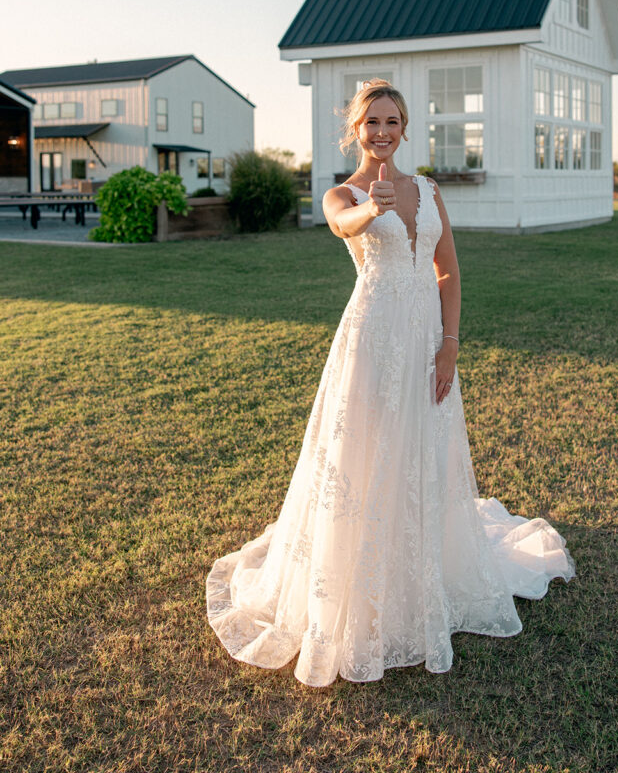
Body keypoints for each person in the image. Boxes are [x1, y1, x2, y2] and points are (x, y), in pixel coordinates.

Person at [206, 79, 575, 687]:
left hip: (427, 340)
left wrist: (449, 347)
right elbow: (343, 225)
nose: (382, 133)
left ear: (405, 129)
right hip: (372, 343)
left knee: (422, 451)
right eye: (371, 123)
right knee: (366, 456)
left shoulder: (427, 189)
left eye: (392, 123)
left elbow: (448, 269)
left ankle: (424, 570)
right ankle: (356, 583)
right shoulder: (340, 194)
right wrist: (369, 208)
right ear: (355, 129)